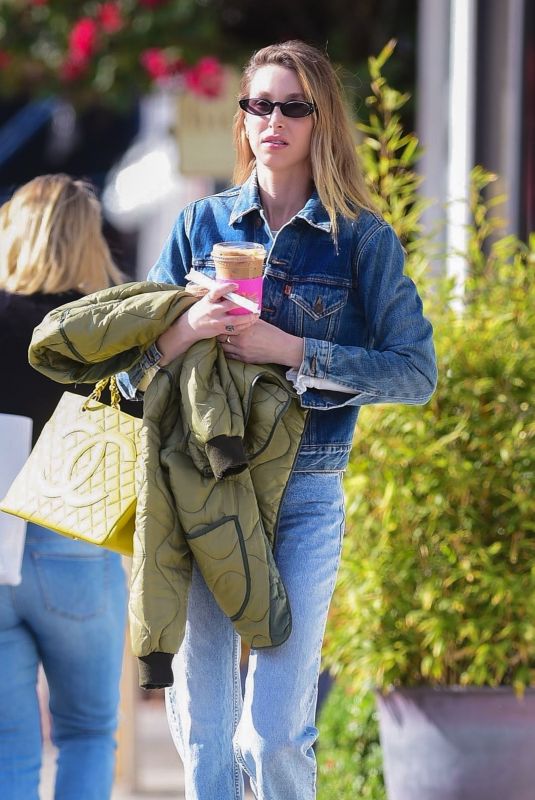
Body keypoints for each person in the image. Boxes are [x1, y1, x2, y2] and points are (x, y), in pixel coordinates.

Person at [121, 40, 437, 800]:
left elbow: (415, 373)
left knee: (271, 733)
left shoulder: (361, 238)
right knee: (203, 731)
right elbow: (132, 374)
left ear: (320, 118)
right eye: (258, 103)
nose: (273, 119)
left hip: (303, 492)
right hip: (205, 488)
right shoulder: (200, 225)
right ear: (243, 118)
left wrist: (290, 348)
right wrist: (188, 326)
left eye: (292, 105)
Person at [0, 174, 128, 800]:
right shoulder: (114, 328)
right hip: (75, 531)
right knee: (86, 732)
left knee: (7, 745)